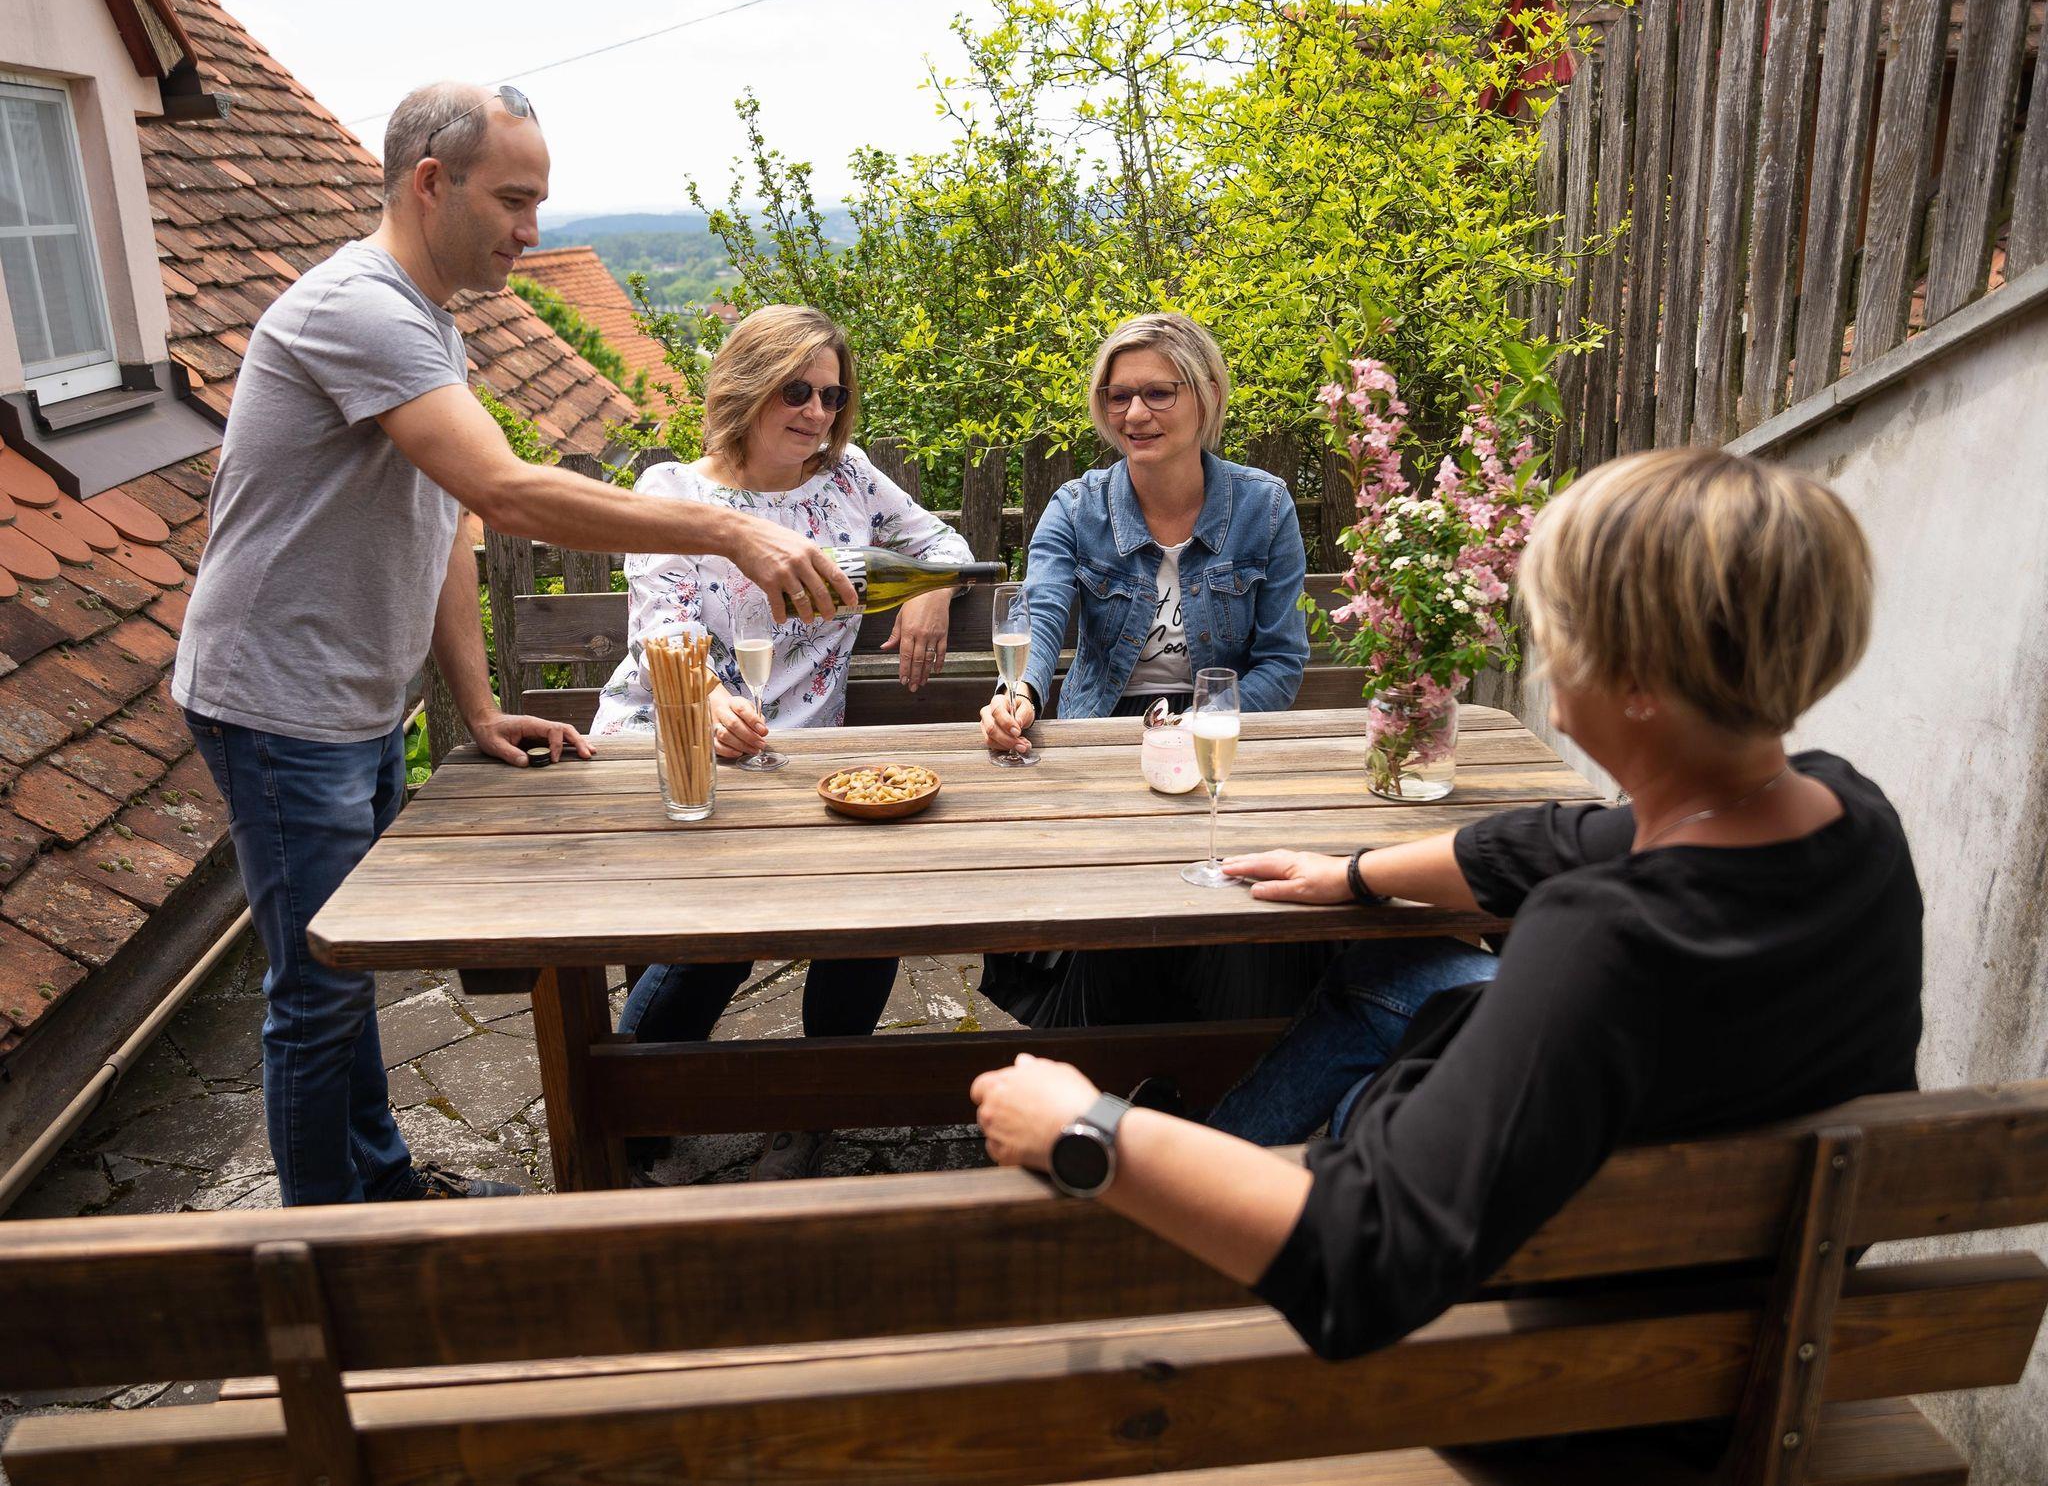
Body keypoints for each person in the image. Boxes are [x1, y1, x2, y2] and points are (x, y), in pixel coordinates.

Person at [972, 446, 1922, 1363]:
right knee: (1392, 963)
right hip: (1754, 1310)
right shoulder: (1850, 818)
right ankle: (1209, 1158)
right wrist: (1353, 877)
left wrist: (1091, 1129)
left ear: (1635, 681)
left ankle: (1143, 1235)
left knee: (1376, 1071)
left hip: (1575, 1371)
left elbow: (1367, 1256)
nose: (1542, 652)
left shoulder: (1595, 940)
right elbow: (1568, 838)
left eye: (1559, 626)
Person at [174, 82, 856, 1208]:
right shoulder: (361, 309)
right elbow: (505, 489)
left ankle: (382, 1191)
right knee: (318, 991)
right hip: (280, 702)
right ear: (429, 183)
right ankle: (328, 1254)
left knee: (349, 967)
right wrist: (727, 527)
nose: (532, 230)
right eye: (513, 199)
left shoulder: (427, 322)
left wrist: (477, 704)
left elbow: (449, 516)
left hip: (351, 701)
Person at [594, 304, 974, 1181]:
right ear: (748, 385)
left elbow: (943, 541)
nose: (817, 413)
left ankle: (815, 1102)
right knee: (721, 929)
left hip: (798, 763)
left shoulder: (848, 480)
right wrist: (706, 702)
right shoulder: (674, 491)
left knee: (870, 911)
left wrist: (931, 588)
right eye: (796, 390)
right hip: (676, 742)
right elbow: (661, 629)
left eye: (832, 396)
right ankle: (631, 1121)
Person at [974, 313, 1325, 1030]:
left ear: (1207, 394)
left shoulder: (1263, 507)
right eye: (1118, 395)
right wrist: (1020, 690)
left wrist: (1202, 725)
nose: (1135, 413)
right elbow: (1042, 613)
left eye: (1158, 393)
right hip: (1105, 735)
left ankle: (1207, 1064)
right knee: (1114, 906)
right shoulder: (1077, 508)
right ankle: (1102, 1061)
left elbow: (1282, 661)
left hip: (1221, 732)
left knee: (1235, 904)